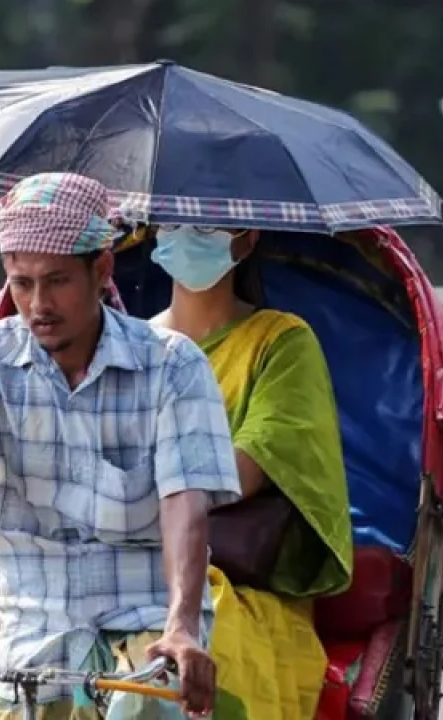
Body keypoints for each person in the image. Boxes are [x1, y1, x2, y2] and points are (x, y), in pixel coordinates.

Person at [0, 173, 243, 720]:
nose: (38, 304)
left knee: (141, 714)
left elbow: (183, 502)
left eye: (57, 281)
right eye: (22, 284)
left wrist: (182, 627)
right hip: (33, 636)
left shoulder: (172, 364)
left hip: (145, 625)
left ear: (102, 271)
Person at [147, 225, 354, 720]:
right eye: (174, 221)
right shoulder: (131, 347)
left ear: (246, 238)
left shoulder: (282, 343)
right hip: (123, 571)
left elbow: (245, 469)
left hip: (237, 588)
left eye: (204, 225)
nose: (186, 236)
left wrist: (130, 500)